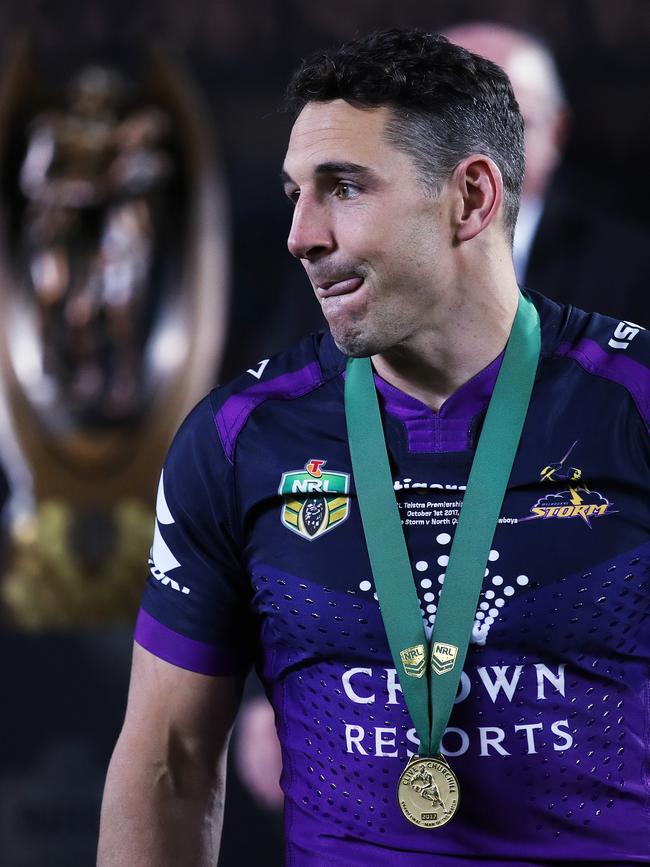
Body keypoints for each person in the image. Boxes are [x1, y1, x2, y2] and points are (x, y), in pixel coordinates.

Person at [98, 28, 650, 866]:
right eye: (295, 193)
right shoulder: (238, 435)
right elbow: (168, 762)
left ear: (472, 197)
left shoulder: (634, 401)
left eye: (343, 188)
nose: (301, 234)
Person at [443, 21, 650, 326]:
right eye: (451, 127)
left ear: (556, 133)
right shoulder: (371, 254)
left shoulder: (633, 272)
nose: (480, 154)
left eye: (512, 126)